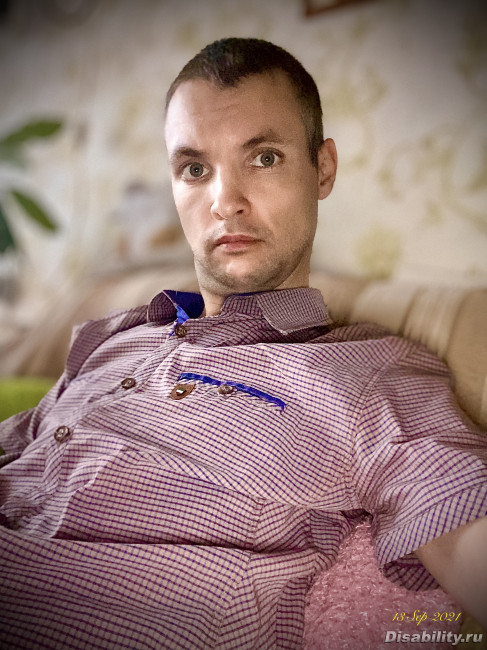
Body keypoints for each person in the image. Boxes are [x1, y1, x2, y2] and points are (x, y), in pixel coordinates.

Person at [0, 37, 486, 650]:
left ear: (323, 168)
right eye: (195, 169)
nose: (224, 203)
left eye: (263, 158)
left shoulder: (367, 376)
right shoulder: (117, 338)